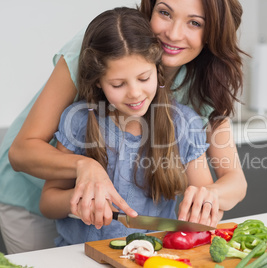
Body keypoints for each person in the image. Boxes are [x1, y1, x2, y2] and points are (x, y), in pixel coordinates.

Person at [0, 0, 247, 254]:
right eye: (164, 12)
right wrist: (85, 168)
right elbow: (24, 154)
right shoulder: (104, 45)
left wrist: (208, 197)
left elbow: (234, 180)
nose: (173, 34)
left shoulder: (198, 96)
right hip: (29, 194)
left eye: (195, 22)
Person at [39, 7, 213, 246]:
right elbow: (47, 203)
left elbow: (207, 200)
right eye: (118, 84)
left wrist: (204, 206)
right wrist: (79, 200)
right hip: (79, 255)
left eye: (144, 78)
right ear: (98, 81)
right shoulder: (78, 121)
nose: (135, 93)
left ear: (157, 70)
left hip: (153, 256)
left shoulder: (184, 124)